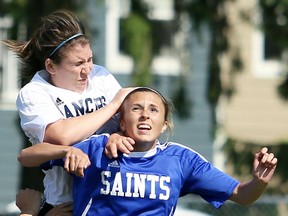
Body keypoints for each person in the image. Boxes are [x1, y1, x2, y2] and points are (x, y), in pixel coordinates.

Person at [18, 87, 278, 215]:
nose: (144, 115)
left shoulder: (181, 160)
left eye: (153, 110)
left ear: (164, 124)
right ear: (121, 121)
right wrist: (65, 152)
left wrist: (259, 181)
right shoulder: (97, 147)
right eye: (136, 109)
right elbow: (26, 157)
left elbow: (242, 196)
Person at [2, 9, 135, 215]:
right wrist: (112, 106)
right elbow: (61, 135)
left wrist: (117, 135)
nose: (88, 69)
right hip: (66, 206)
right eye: (78, 63)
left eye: (90, 59)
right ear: (51, 66)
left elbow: (130, 125)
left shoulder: (101, 77)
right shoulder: (34, 92)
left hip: (109, 199)